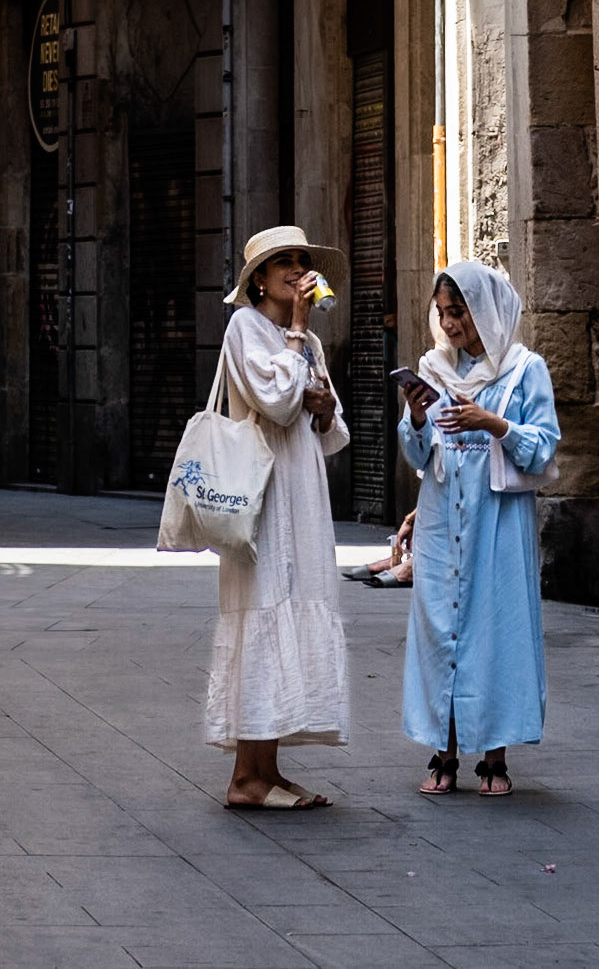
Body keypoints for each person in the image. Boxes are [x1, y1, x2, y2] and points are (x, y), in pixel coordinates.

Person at [397, 259, 560, 797]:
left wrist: (492, 423)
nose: (450, 325)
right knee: (439, 631)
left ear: (485, 310)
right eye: (442, 313)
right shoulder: (434, 369)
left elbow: (543, 447)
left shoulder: (523, 369)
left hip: (498, 522)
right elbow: (418, 453)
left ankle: (494, 757)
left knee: (495, 633)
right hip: (444, 518)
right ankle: (441, 753)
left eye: (459, 312)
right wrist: (418, 418)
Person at [206, 225, 350, 809]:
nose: (296, 271)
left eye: (301, 262)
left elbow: (330, 425)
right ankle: (246, 776)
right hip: (261, 498)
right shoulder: (246, 328)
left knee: (292, 608)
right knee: (261, 614)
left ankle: (268, 768)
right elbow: (275, 400)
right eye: (283, 264)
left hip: (301, 493)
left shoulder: (307, 341)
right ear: (259, 279)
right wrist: (296, 338)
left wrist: (322, 406)